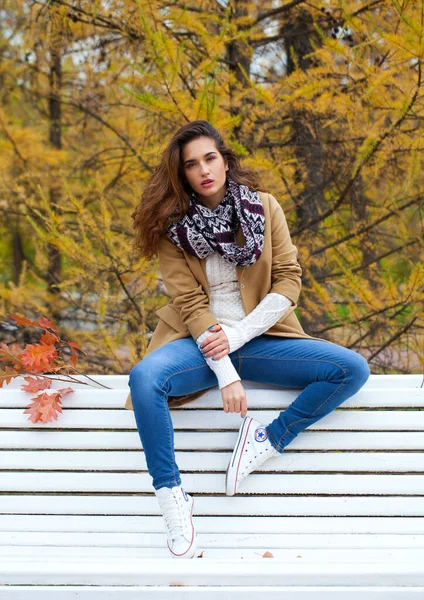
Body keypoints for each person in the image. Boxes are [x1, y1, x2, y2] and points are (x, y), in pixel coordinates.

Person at [127, 120, 370, 559]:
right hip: (198, 345)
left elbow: (288, 280)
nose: (203, 169)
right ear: (181, 174)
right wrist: (225, 373)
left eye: (210, 158)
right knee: (145, 378)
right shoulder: (172, 230)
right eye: (191, 164)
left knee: (351, 369)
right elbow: (191, 305)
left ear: (224, 160)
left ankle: (267, 440)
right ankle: (172, 497)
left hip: (261, 338)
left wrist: (239, 334)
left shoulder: (264, 207)